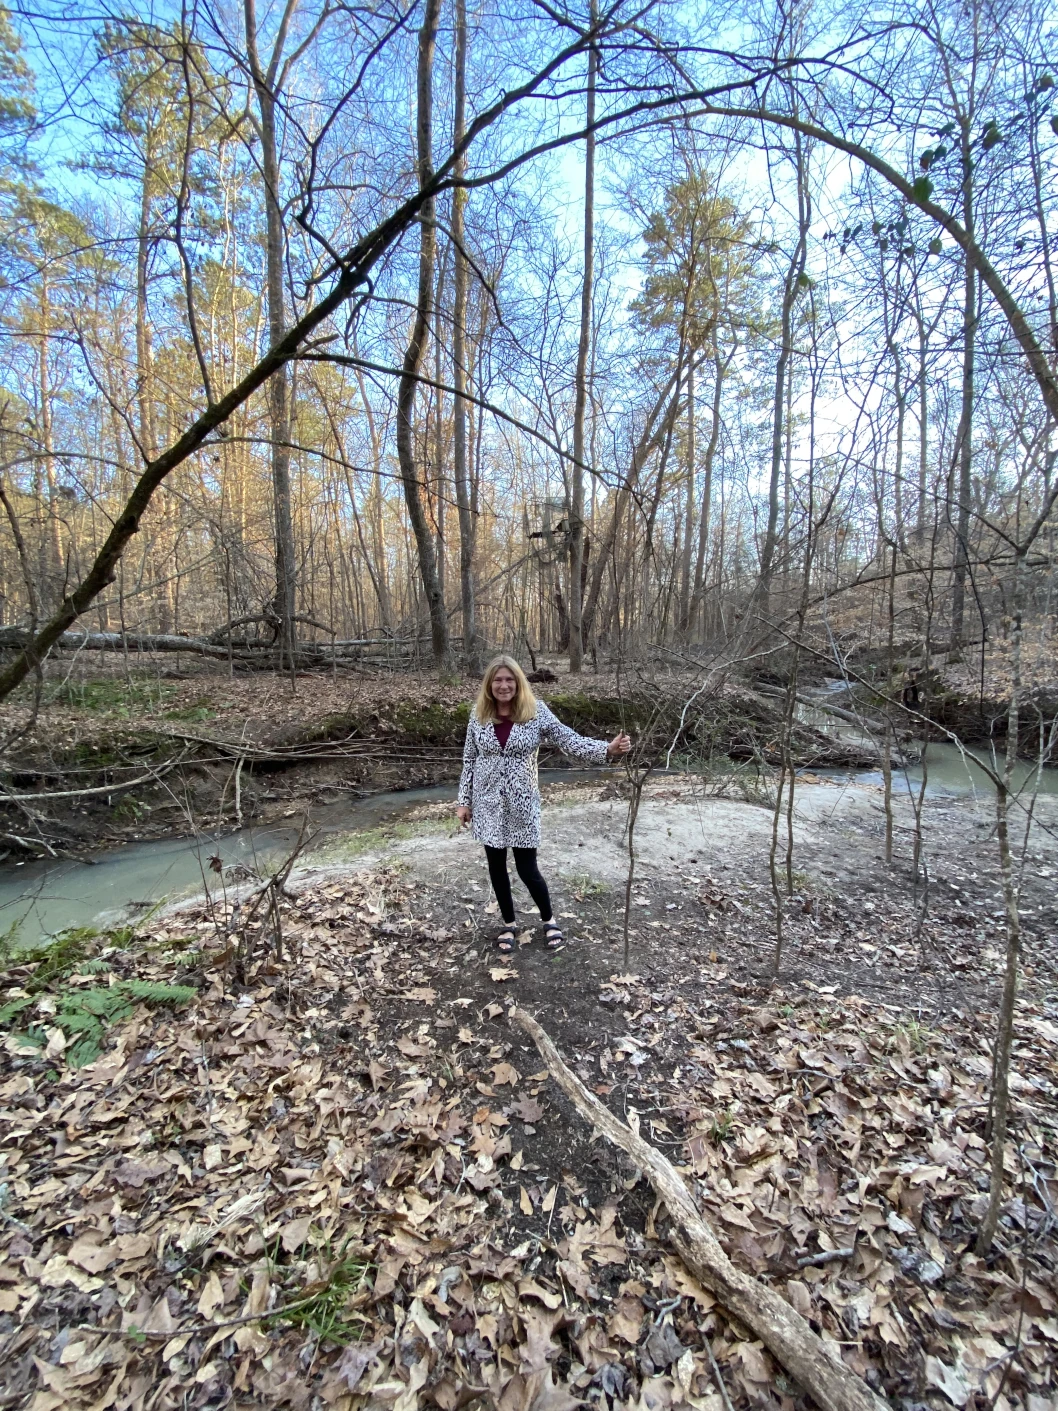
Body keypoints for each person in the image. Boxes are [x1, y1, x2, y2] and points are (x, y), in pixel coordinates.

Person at [456, 656, 631, 952]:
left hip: (523, 804)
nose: (503, 685)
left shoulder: (536, 712)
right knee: (496, 868)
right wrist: (463, 801)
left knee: (528, 869)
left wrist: (608, 749)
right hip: (487, 804)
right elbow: (469, 759)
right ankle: (509, 924)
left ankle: (548, 919)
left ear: (519, 682)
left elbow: (569, 740)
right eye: (498, 680)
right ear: (489, 684)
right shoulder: (479, 714)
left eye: (509, 679)